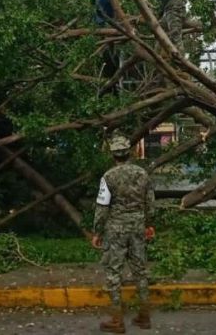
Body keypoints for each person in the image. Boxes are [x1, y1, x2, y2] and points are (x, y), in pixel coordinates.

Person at [92, 135, 155, 333]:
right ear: (131, 152)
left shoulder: (108, 177)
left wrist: (97, 231)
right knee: (140, 271)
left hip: (115, 229)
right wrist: (149, 224)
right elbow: (150, 203)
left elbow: (102, 207)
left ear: (113, 155)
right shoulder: (143, 174)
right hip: (137, 226)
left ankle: (117, 321)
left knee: (113, 273)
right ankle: (144, 317)